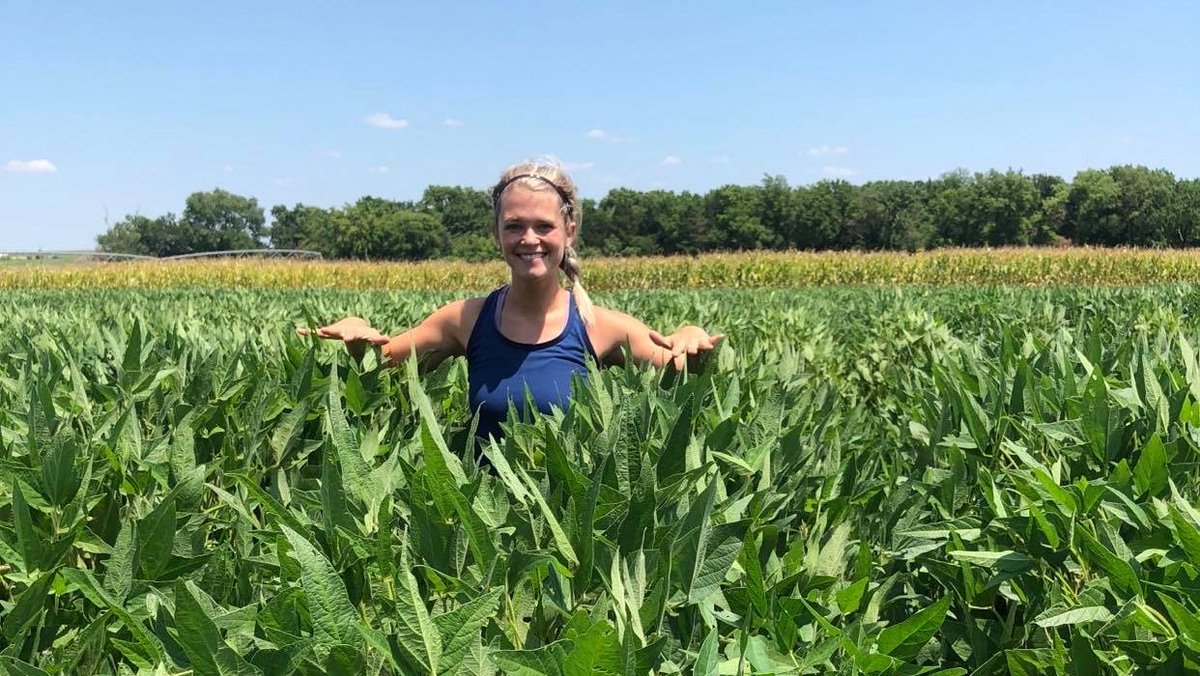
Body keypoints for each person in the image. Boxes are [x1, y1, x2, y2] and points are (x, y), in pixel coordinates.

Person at [301, 158, 724, 441]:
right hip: (485, 528)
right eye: (514, 226)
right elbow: (381, 367)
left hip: (567, 532)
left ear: (569, 231)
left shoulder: (601, 326)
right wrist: (357, 330)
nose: (529, 239)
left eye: (544, 226)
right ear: (496, 233)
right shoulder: (466, 319)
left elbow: (680, 378)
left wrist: (692, 336)